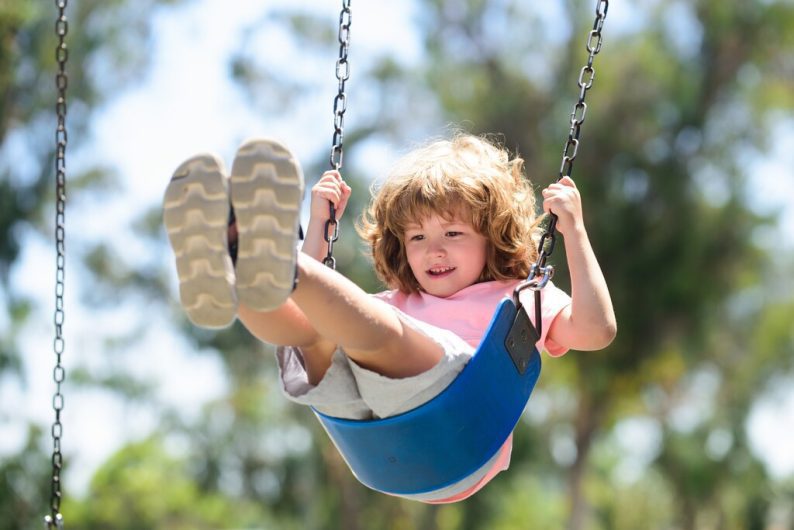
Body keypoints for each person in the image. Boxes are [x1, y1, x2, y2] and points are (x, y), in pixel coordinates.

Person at [163, 133, 616, 503]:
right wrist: (319, 224)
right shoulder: (398, 299)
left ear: (493, 236)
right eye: (417, 236)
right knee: (313, 333)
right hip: (371, 438)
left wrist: (573, 231)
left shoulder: (518, 296)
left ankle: (276, 260)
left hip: (458, 432)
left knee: (380, 332)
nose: (433, 250)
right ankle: (238, 268)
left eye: (453, 233)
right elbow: (312, 314)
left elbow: (596, 331)